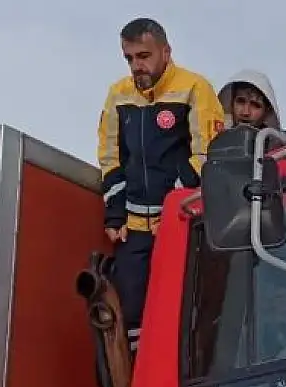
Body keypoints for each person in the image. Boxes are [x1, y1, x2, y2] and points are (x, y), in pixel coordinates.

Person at [97, 17, 226, 354]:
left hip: (184, 223)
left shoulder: (195, 88)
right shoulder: (118, 95)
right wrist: (114, 214)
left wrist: (176, 205)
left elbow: (207, 154)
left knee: (182, 312)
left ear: (166, 52)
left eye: (144, 56)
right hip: (135, 229)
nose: (137, 66)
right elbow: (109, 157)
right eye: (129, 58)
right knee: (131, 315)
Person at [217, 70, 283, 130]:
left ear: (267, 112)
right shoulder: (215, 139)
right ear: (231, 103)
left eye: (255, 105)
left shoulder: (280, 142)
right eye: (241, 101)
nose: (246, 112)